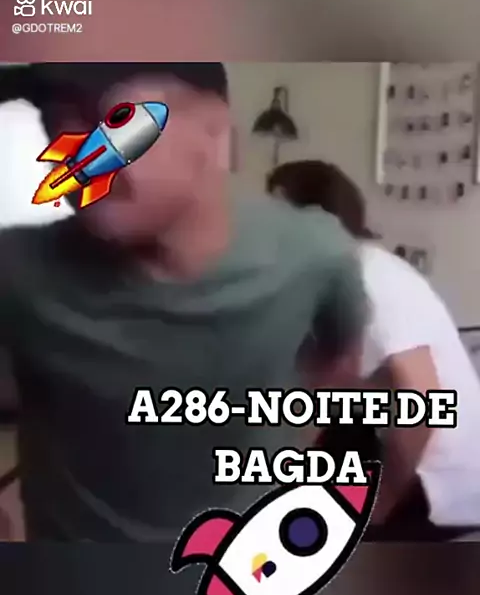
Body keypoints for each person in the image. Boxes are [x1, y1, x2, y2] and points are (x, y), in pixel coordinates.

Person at [0, 63, 368, 541]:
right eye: (56, 121)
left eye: (114, 120)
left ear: (213, 129)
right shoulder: (17, 267)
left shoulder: (315, 255)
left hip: (246, 564)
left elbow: (338, 364)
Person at [267, 159, 480, 538]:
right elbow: (324, 392)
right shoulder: (328, 281)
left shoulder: (370, 276)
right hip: (392, 452)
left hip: (439, 486)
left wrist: (381, 503)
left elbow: (425, 404)